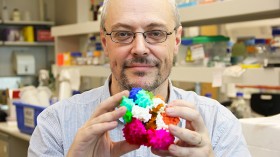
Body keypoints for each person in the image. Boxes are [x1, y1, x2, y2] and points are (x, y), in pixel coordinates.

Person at [28, 0, 251, 156]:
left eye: (156, 33)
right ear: (105, 43)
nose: (140, 49)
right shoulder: (56, 124)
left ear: (176, 40)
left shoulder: (218, 124)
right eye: (123, 34)